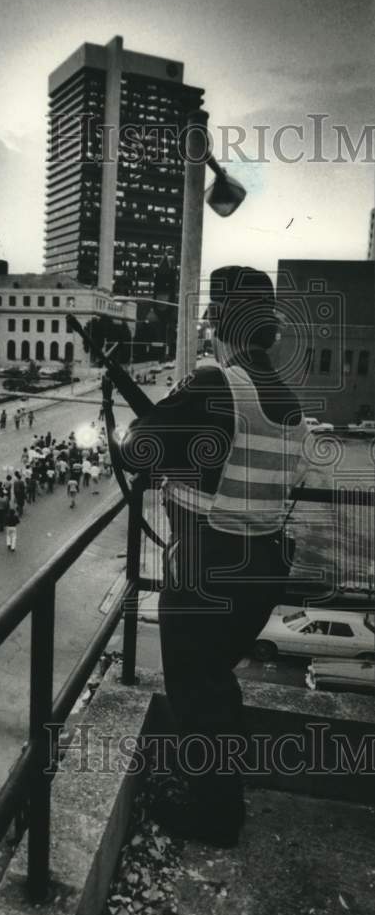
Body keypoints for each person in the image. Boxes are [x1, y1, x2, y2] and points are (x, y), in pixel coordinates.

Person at [120, 266, 311, 848]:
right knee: (215, 687)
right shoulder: (289, 401)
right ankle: (218, 797)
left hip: (209, 574)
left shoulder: (217, 383)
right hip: (262, 570)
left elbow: (136, 452)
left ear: (222, 324)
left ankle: (215, 816)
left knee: (198, 693)